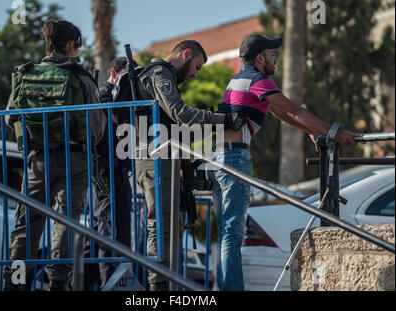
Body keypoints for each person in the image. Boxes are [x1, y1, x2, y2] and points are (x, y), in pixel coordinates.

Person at [210, 34, 361, 291]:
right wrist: (335, 132)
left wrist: (310, 131)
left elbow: (281, 113)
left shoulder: (240, 79)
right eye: (271, 53)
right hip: (234, 158)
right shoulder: (258, 80)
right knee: (233, 236)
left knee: (227, 234)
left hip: (221, 158)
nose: (275, 58)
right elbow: (295, 110)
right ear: (260, 58)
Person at [132, 40, 247, 291]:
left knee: (170, 228)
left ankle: (167, 285)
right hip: (152, 157)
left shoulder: (169, 78)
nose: (195, 74)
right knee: (160, 224)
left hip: (164, 156)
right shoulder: (160, 74)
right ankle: (157, 287)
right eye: (196, 66)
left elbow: (177, 128)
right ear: (185, 54)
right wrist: (223, 120)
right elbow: (180, 113)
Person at [3, 19, 106, 291]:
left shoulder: (26, 74)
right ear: (71, 44)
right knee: (66, 224)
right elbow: (96, 126)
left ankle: (13, 283)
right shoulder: (82, 76)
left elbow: (9, 118)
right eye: (78, 46)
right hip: (74, 159)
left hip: (37, 160)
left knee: (26, 225)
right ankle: (57, 284)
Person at [83, 57, 134, 290]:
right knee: (109, 231)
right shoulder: (104, 94)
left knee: (105, 231)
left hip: (115, 169)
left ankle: (82, 283)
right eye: (124, 76)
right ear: (113, 72)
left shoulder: (120, 95)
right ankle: (110, 284)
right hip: (107, 170)